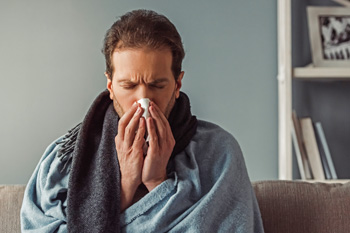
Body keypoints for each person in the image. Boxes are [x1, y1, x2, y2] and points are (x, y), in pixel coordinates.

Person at [20, 9, 264, 233]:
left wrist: (157, 183)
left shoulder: (220, 153)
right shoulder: (62, 160)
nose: (143, 100)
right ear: (110, 85)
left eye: (157, 85)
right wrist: (124, 187)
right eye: (128, 86)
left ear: (178, 84)